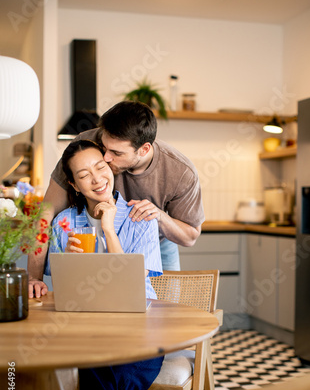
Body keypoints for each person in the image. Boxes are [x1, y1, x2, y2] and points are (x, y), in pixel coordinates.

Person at [28, 100, 205, 298]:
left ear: (144, 150)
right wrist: (34, 278)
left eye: (116, 153)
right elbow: (46, 214)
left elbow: (190, 237)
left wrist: (159, 216)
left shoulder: (180, 172)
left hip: (154, 238)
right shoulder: (87, 146)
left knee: (164, 310)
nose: (106, 158)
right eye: (104, 148)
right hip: (95, 230)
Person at [45, 139, 163, 390]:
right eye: (85, 175)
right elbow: (64, 295)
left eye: (100, 167)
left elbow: (130, 286)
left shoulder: (141, 219)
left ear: (111, 167)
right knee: (87, 361)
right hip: (86, 331)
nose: (97, 179)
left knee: (106, 369)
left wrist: (109, 229)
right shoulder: (63, 224)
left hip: (139, 329)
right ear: (74, 185)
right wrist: (72, 266)